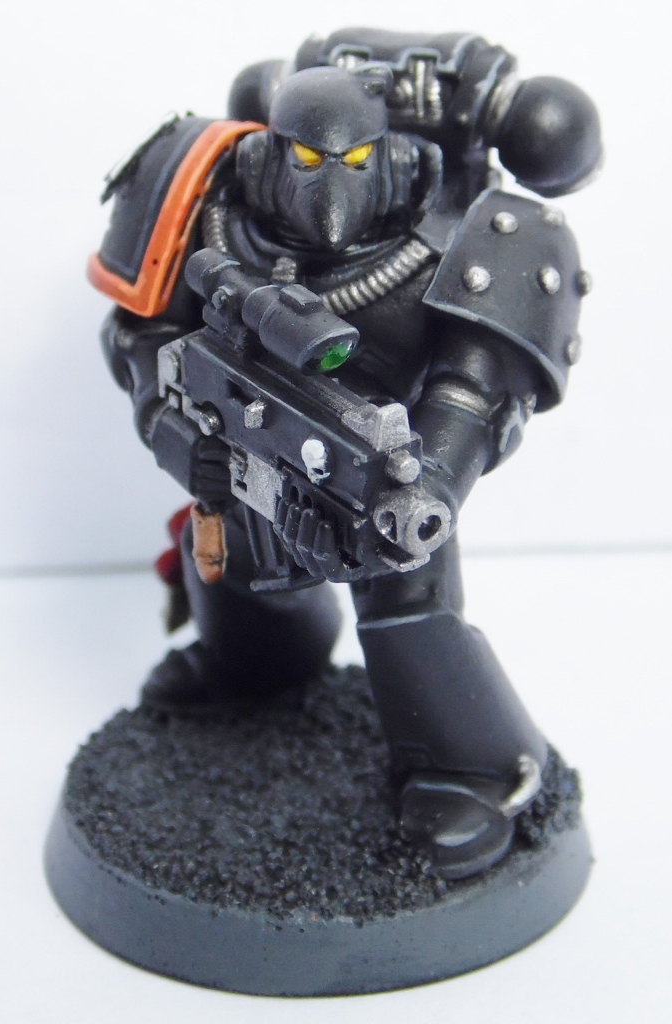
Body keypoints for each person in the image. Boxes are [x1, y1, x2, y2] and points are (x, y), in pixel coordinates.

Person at [90, 34, 600, 879]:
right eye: (304, 157)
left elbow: (472, 389)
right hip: (239, 458)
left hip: (379, 470)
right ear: (267, 149)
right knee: (228, 568)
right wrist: (174, 431)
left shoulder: (480, 232)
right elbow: (139, 333)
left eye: (357, 159)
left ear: (391, 156)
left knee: (408, 608)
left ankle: (469, 770)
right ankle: (256, 668)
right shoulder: (206, 193)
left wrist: (428, 482)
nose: (329, 185)